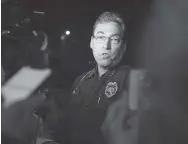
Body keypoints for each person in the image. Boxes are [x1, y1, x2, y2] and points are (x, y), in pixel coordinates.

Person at [46, 11, 130, 144]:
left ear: (123, 47)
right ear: (92, 42)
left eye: (114, 39)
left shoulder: (130, 81)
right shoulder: (80, 81)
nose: (106, 46)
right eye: (101, 37)